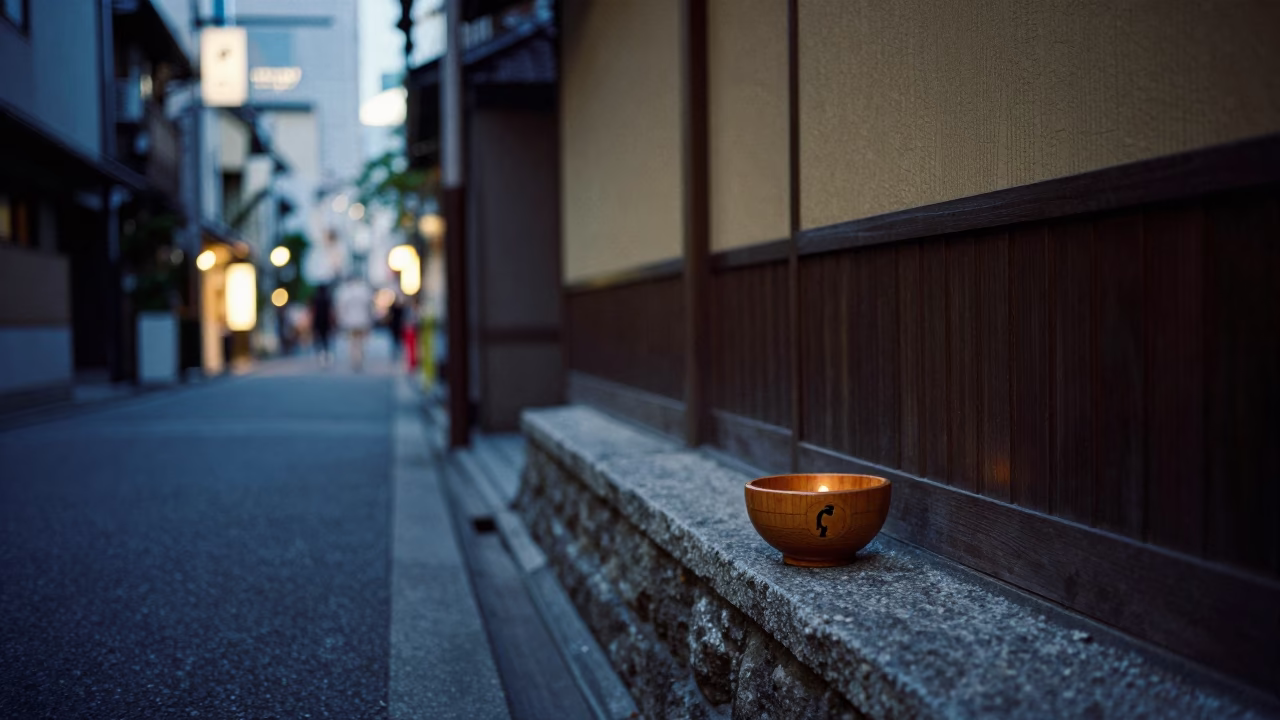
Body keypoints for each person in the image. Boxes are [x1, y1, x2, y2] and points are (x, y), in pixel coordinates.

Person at [335, 275, 374, 371]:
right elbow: (369, 306)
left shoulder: (345, 292)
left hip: (350, 321)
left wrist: (341, 319)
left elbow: (341, 307)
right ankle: (359, 357)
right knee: (360, 342)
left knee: (352, 342)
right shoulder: (364, 291)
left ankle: (354, 358)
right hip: (362, 320)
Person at [310, 284, 334, 366]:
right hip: (325, 322)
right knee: (325, 339)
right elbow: (330, 312)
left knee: (317, 339)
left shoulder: (315, 298)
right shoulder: (327, 298)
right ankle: (325, 354)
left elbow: (313, 311)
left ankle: (319, 354)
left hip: (317, 321)